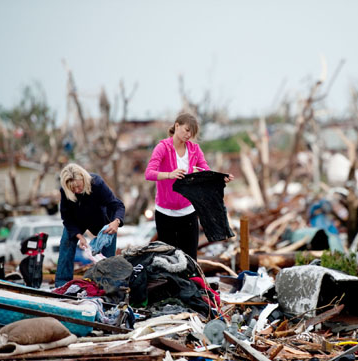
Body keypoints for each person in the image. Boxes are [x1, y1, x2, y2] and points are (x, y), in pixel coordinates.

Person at [145, 113, 233, 260]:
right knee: (168, 259)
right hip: (165, 212)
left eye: (192, 132)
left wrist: (220, 178)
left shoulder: (194, 149)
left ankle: (191, 283)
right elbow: (149, 173)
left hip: (188, 211)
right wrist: (169, 174)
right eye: (186, 130)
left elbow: (205, 171)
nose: (189, 135)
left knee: (190, 259)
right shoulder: (162, 148)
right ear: (177, 125)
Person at [55, 163, 125, 287]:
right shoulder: (64, 191)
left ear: (83, 178)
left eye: (78, 186)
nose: (76, 190)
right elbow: (66, 217)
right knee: (66, 242)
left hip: (99, 218)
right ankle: (62, 283)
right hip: (76, 221)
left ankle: (106, 286)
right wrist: (79, 236)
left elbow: (116, 205)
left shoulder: (97, 184)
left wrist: (116, 222)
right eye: (73, 188)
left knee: (108, 253)